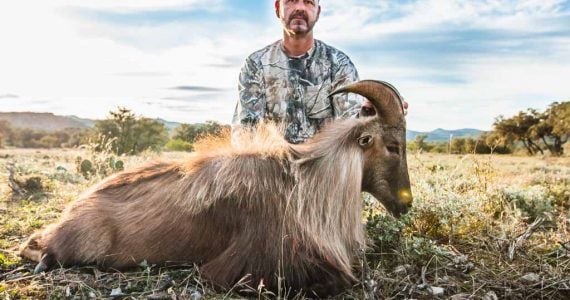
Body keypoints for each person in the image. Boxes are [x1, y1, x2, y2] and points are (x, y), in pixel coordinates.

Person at [232, 0, 406, 144]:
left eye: (308, 2)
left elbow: (349, 125)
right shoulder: (256, 64)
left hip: (322, 170)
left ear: (318, 12)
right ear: (278, 8)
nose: (300, 7)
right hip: (270, 170)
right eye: (291, 1)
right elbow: (248, 131)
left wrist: (371, 113)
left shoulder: (339, 64)